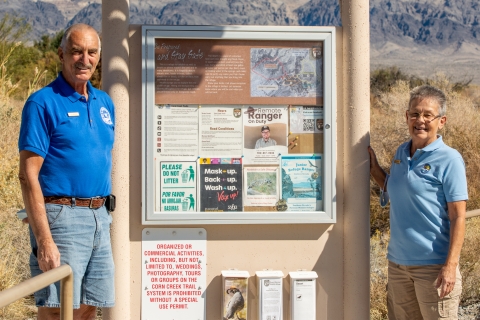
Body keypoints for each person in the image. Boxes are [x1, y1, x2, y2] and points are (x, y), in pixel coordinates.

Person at [18, 24, 115, 320]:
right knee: (57, 309)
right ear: (61, 54)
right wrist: (45, 240)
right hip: (61, 216)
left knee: (89, 307)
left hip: (100, 215)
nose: (84, 59)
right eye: (76, 51)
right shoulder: (42, 102)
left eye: (91, 52)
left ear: (98, 56)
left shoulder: (105, 103)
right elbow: (27, 175)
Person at [368, 85, 467, 320]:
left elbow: (458, 216)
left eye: (427, 115)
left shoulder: (449, 159)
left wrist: (450, 266)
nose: (419, 120)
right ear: (406, 117)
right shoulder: (401, 152)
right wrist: (374, 169)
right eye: (414, 114)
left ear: (441, 121)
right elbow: (396, 188)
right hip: (398, 265)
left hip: (434, 267)